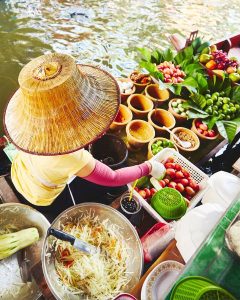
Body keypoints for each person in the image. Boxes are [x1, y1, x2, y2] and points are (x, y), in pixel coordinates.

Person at [3, 53, 165, 218]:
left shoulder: (30, 126)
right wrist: (148, 167)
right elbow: (113, 177)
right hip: (39, 196)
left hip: (19, 173)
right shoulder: (72, 157)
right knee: (92, 190)